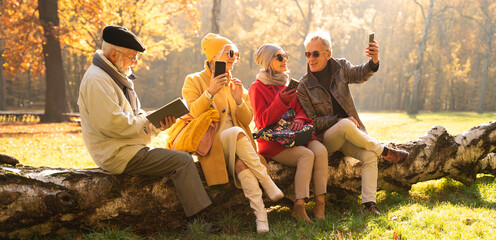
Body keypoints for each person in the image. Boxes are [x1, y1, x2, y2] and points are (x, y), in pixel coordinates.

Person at [77, 25, 212, 218]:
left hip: (127, 146)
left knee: (180, 155)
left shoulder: (114, 76)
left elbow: (133, 117)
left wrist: (158, 125)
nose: (135, 62)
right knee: (182, 160)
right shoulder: (97, 79)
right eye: (133, 57)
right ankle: (200, 218)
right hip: (117, 153)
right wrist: (149, 121)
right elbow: (115, 124)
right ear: (114, 55)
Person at [297, 30, 409, 215]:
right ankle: (386, 151)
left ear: (328, 54)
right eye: (307, 54)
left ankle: (369, 205)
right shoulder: (304, 86)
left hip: (350, 135)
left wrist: (374, 61)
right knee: (347, 125)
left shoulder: (340, 67)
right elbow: (313, 123)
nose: (311, 58)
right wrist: (338, 120)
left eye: (315, 53)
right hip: (327, 139)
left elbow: (360, 74)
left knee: (369, 156)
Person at [181, 33, 283, 234]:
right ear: (214, 56)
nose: (233, 58)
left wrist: (239, 100)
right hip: (214, 146)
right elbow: (192, 113)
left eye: (236, 54)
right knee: (236, 132)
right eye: (229, 53)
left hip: (238, 147)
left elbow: (247, 120)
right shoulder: (193, 80)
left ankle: (261, 216)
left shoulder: (235, 83)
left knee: (241, 164)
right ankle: (267, 182)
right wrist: (209, 91)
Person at [249, 44, 329, 222]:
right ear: (268, 61)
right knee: (306, 156)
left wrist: (300, 119)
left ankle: (320, 203)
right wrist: (280, 101)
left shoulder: (288, 83)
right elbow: (261, 121)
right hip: (274, 141)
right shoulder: (257, 88)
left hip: (297, 134)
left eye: (285, 55)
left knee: (321, 151)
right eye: (279, 57)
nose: (284, 59)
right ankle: (299, 206)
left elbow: (300, 110)